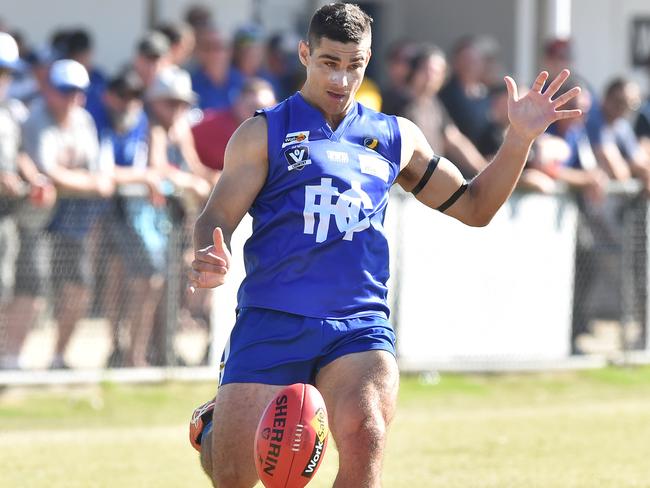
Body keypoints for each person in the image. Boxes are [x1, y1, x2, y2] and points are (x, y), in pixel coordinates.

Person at [188, 4, 581, 486]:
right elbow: (217, 215)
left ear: (368, 60)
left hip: (358, 325)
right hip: (274, 316)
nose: (341, 78)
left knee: (368, 433)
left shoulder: (395, 137)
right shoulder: (262, 132)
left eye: (354, 65)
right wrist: (210, 249)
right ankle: (214, 429)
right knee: (235, 474)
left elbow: (475, 208)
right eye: (329, 62)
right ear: (305, 53)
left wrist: (518, 139)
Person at [21, 58, 114, 369]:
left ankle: (57, 357)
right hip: (35, 219)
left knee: (78, 288)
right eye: (64, 90)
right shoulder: (36, 118)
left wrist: (77, 180)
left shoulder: (83, 120)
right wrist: (87, 183)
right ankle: (14, 359)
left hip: (75, 221)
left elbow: (91, 169)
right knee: (31, 288)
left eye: (76, 91)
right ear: (49, 91)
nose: (71, 98)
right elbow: (50, 171)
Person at [192, 77, 276, 173]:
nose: (260, 115)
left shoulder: (273, 135)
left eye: (268, 110)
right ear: (238, 102)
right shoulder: (213, 124)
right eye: (253, 107)